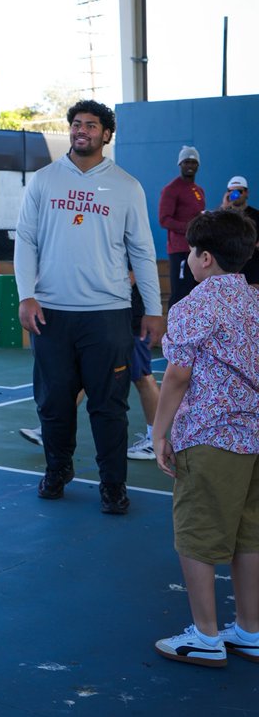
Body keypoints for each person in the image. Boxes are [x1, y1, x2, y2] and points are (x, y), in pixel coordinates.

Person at [14, 99, 163, 515]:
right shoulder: (43, 181)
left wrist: (152, 308)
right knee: (54, 403)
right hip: (52, 315)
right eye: (77, 124)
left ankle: (112, 484)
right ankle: (57, 470)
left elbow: (143, 251)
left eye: (92, 125)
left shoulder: (126, 186)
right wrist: (27, 294)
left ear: (106, 134)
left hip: (109, 314)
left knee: (109, 406)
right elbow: (25, 241)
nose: (83, 130)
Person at [153, 209, 259, 668]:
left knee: (196, 533)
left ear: (205, 258)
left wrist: (159, 433)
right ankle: (251, 631)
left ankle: (206, 635)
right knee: (248, 535)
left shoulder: (193, 306)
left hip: (210, 436)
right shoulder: (254, 300)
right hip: (253, 437)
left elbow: (177, 376)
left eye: (192, 253)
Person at [18, 279, 161, 460]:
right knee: (84, 374)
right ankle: (51, 429)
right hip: (101, 320)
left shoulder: (128, 252)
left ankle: (155, 440)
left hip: (129, 320)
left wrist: (89, 287)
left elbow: (131, 276)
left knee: (142, 376)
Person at [159, 146, 206, 309]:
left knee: (196, 292)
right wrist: (190, 227)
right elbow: (164, 220)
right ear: (180, 164)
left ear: (198, 165)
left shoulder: (198, 190)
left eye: (193, 162)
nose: (190, 165)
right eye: (186, 162)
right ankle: (173, 332)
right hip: (180, 250)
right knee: (181, 293)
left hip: (197, 250)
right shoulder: (171, 189)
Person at [220, 175, 259, 285]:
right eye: (231, 191)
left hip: (253, 271)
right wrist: (224, 206)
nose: (235, 195)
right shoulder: (223, 215)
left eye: (239, 191)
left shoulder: (257, 216)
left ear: (246, 193)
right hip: (229, 271)